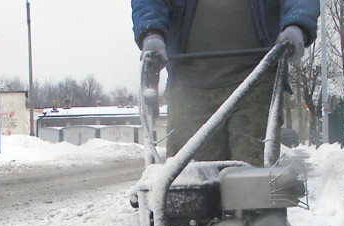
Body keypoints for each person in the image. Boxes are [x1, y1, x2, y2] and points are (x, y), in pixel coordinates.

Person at [132, 0, 319, 166]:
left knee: (254, 180)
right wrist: (152, 32)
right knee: (190, 179)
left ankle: (254, 204)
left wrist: (296, 25)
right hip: (189, 87)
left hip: (257, 82)